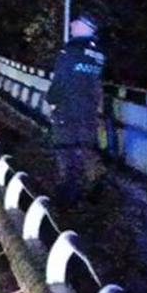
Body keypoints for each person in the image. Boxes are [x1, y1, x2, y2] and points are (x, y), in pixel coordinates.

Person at [44, 12, 107, 208]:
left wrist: (52, 101)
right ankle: (94, 188)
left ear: (85, 27)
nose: (71, 25)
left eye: (76, 23)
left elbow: (60, 81)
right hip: (89, 112)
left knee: (66, 153)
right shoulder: (98, 55)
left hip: (68, 111)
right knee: (86, 149)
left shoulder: (69, 51)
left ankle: (66, 200)